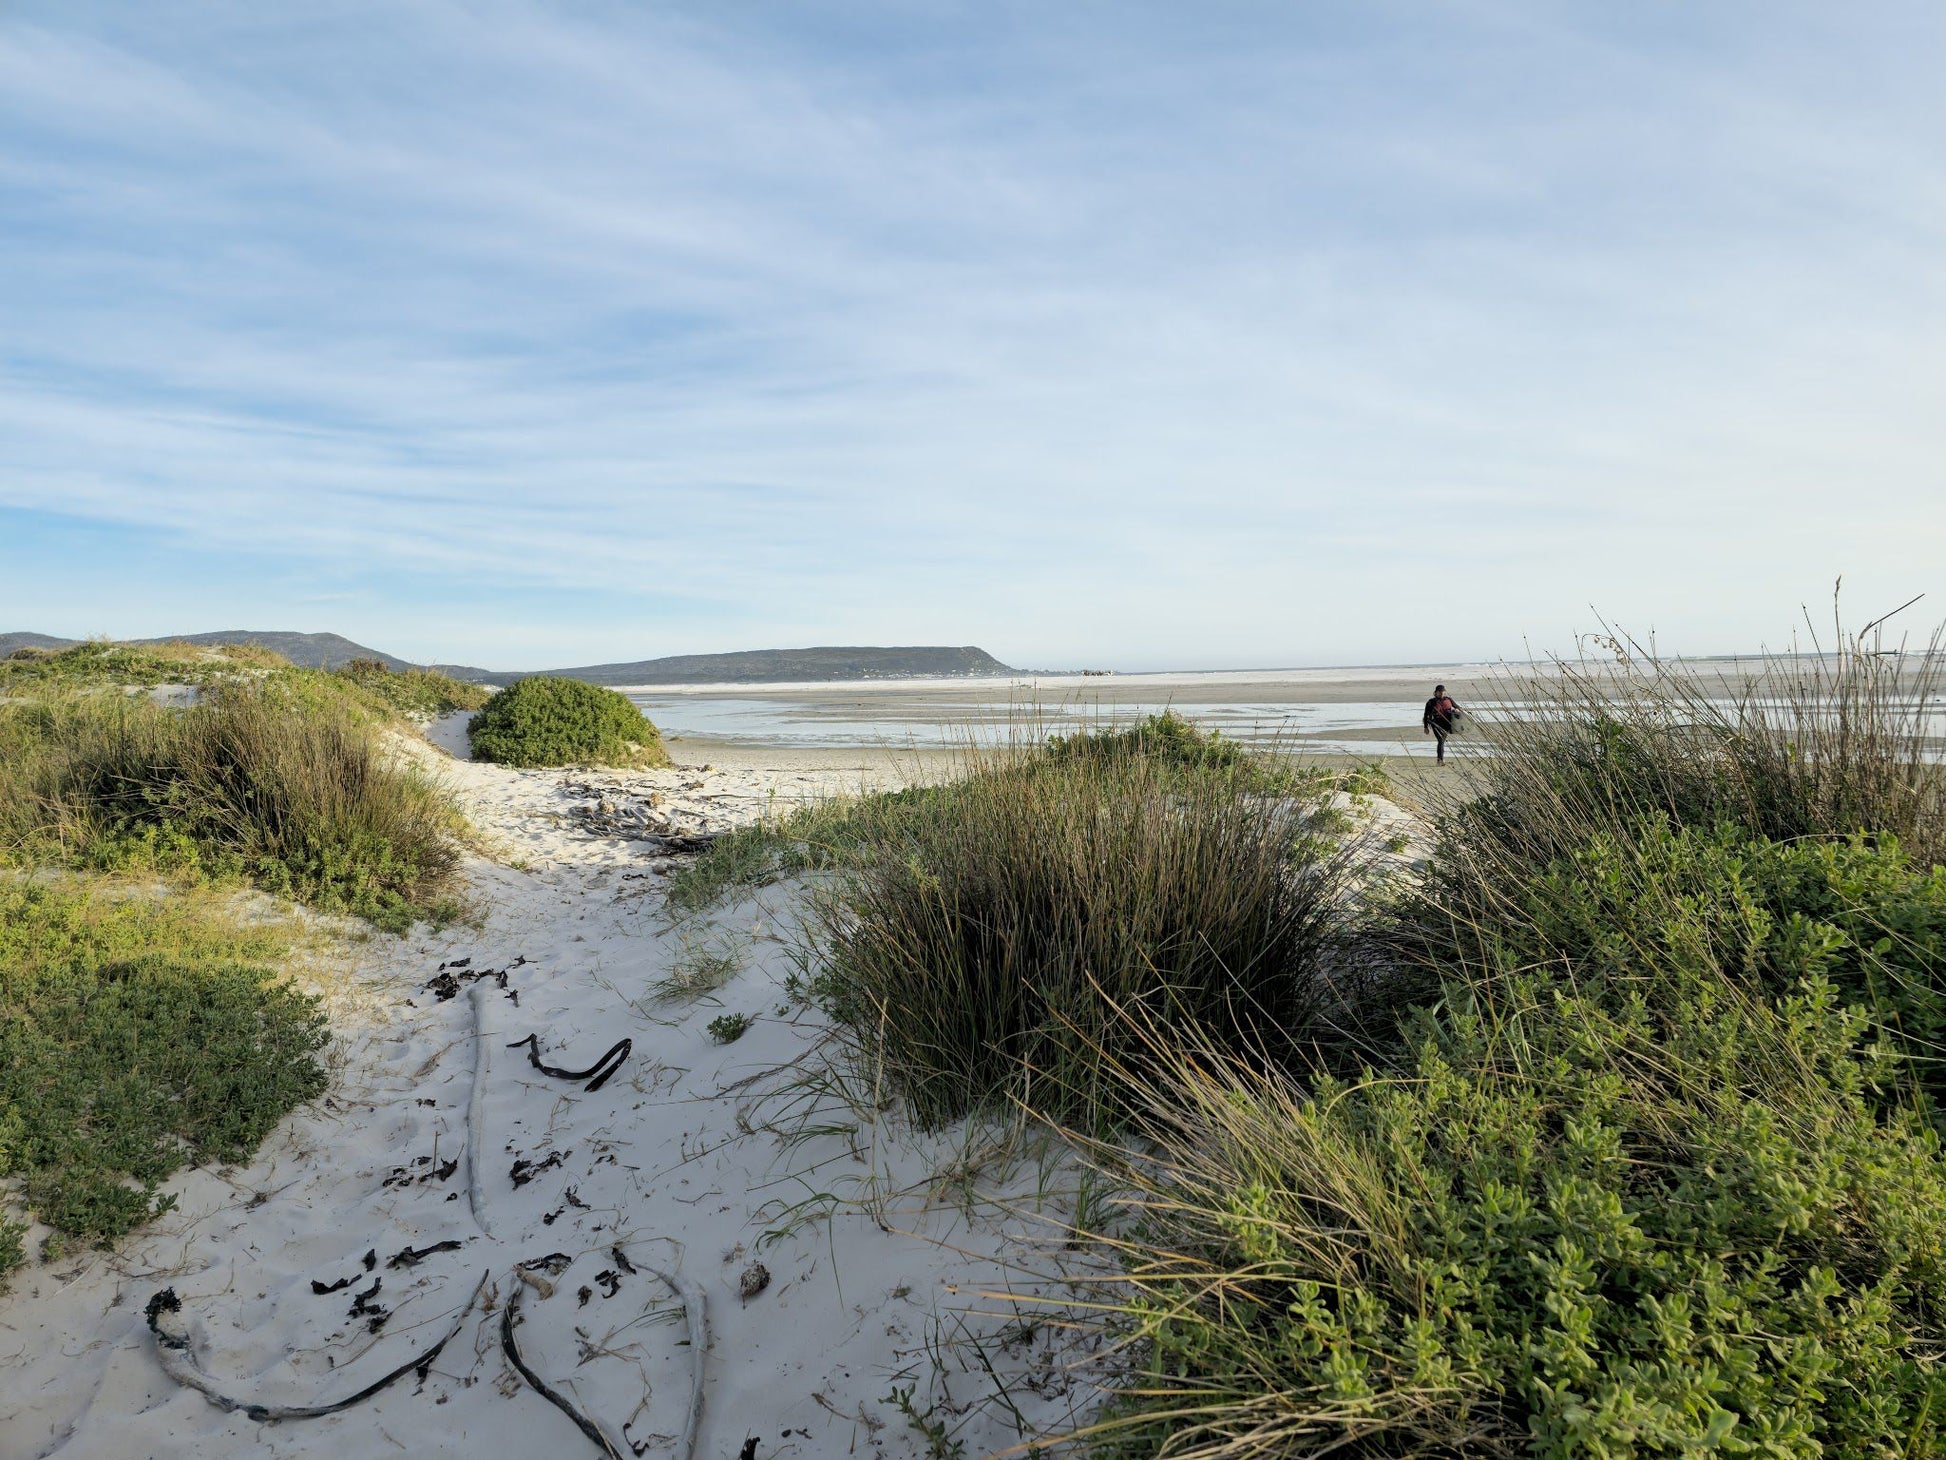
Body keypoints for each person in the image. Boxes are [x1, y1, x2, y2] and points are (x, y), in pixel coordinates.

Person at [1422, 683, 1461, 763]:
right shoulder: (1431, 702)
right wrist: (1425, 727)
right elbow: (1426, 715)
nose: (1441, 693)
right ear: (1436, 692)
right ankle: (1440, 760)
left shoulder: (1448, 699)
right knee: (1440, 740)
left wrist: (1457, 710)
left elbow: (1457, 707)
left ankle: (1440, 759)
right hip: (1435, 723)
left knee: (1442, 741)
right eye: (1439, 692)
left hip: (1446, 723)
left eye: (1443, 692)